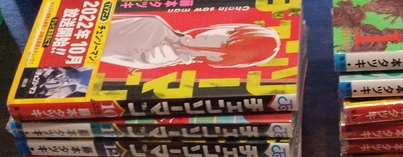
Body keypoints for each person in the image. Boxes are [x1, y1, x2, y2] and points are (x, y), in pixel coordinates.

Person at [101, 15, 282, 69]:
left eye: (225, 44)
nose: (216, 35)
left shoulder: (159, 37)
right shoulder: (156, 25)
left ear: (218, 58)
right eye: (229, 32)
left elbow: (148, 57)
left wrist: (150, 58)